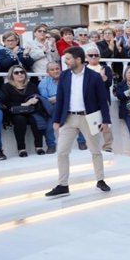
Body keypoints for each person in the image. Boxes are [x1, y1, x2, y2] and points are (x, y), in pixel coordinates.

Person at [45, 47, 111, 197]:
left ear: (78, 59)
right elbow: (61, 99)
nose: (66, 62)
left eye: (68, 59)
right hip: (68, 118)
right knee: (62, 151)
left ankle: (100, 180)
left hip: (88, 118)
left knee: (95, 151)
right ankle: (63, 185)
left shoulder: (94, 77)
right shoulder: (65, 76)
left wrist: (106, 121)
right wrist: (56, 119)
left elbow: (102, 101)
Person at [0, 65, 46, 157]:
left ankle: (39, 147)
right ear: (11, 75)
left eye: (22, 72)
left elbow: (37, 97)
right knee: (20, 120)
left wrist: (35, 100)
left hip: (31, 111)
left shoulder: (31, 85)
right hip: (15, 113)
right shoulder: (6, 87)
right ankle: (21, 149)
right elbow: (6, 103)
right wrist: (25, 104)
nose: (20, 74)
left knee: (35, 119)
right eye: (16, 72)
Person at [84, 47, 114, 153]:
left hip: (103, 100)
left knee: (106, 123)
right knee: (89, 125)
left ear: (99, 56)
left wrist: (104, 78)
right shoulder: (83, 70)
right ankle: (91, 146)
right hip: (88, 101)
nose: (93, 57)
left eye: (96, 55)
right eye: (91, 55)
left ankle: (107, 146)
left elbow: (109, 83)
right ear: (86, 57)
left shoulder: (105, 68)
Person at [38, 61, 61, 154]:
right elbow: (46, 100)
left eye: (57, 69)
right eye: (52, 70)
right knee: (50, 121)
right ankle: (51, 145)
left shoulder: (67, 79)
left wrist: (57, 97)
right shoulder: (43, 83)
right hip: (54, 107)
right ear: (47, 72)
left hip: (70, 105)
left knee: (79, 115)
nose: (55, 71)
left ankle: (82, 142)